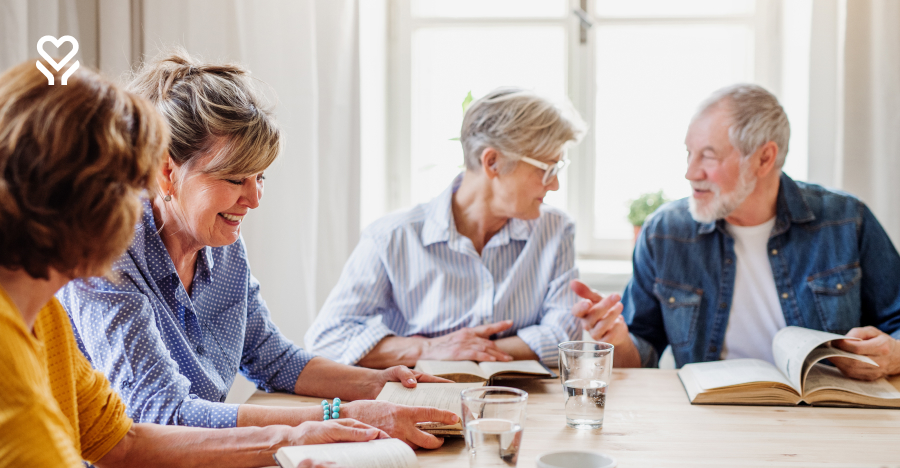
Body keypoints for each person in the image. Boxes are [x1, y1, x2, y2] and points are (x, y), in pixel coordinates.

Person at [0, 60, 391, 468]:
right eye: (127, 183)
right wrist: (321, 422)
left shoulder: (45, 318)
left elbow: (120, 440)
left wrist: (295, 436)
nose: (137, 203)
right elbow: (152, 417)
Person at [58, 50, 457, 449]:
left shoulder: (221, 240)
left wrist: (375, 383)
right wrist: (341, 414)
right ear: (166, 171)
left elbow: (269, 356)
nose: (254, 198)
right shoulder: (107, 255)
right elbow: (164, 413)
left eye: (260, 176)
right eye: (235, 179)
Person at [570, 84, 900, 380]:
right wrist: (615, 339)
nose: (690, 172)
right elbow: (640, 357)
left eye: (708, 156)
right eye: (689, 153)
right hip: (711, 418)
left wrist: (892, 355)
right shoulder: (665, 233)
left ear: (764, 158)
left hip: (827, 417)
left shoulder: (846, 220)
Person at [305, 87, 587, 368]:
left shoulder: (556, 229)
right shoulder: (392, 237)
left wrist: (466, 350)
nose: (555, 184)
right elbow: (327, 339)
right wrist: (429, 348)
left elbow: (564, 335)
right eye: (548, 169)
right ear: (493, 162)